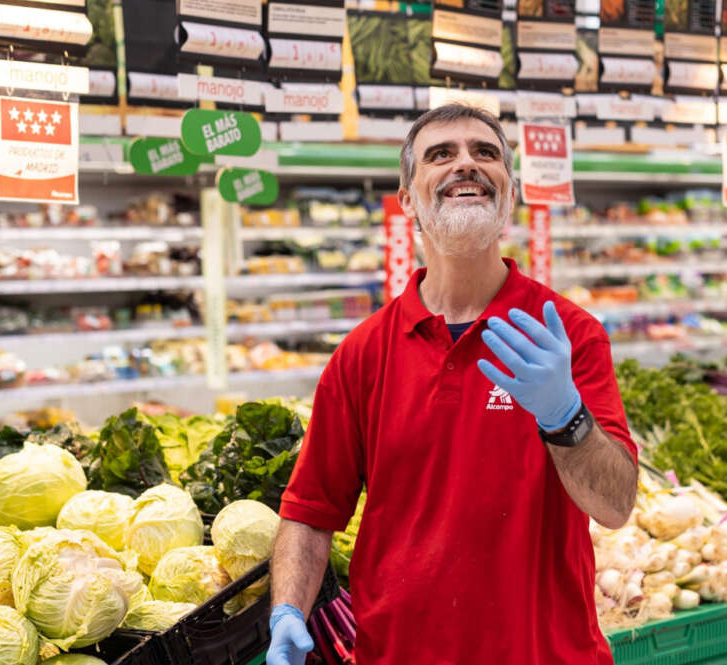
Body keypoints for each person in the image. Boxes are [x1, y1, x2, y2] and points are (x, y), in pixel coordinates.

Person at [266, 104, 638, 665]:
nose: (466, 164)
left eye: (484, 153)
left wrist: (568, 419)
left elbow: (615, 505)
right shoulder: (362, 354)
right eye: (441, 155)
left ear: (509, 194)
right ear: (408, 199)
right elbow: (310, 512)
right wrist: (287, 610)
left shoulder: (568, 335)